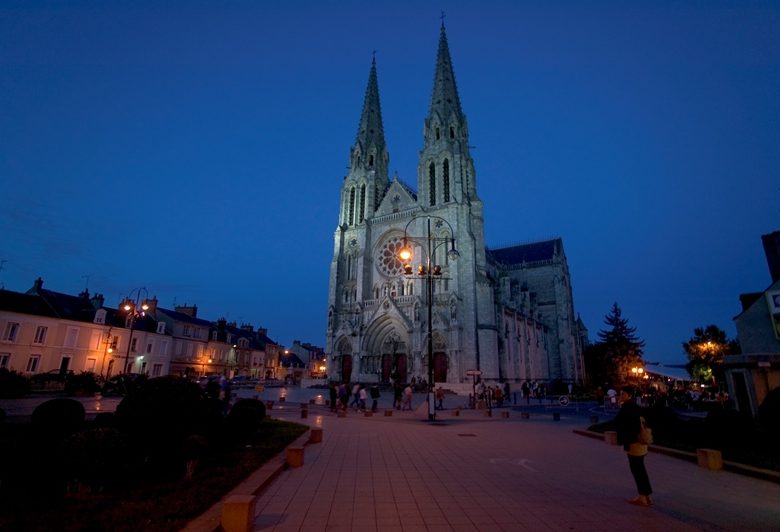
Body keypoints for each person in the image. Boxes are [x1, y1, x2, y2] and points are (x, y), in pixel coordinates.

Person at [615, 385, 653, 507]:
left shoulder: (627, 408)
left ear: (629, 396)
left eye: (623, 394)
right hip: (641, 443)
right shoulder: (635, 407)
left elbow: (620, 423)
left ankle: (643, 497)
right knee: (640, 469)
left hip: (634, 443)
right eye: (620, 394)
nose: (620, 396)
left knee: (637, 470)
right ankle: (646, 496)